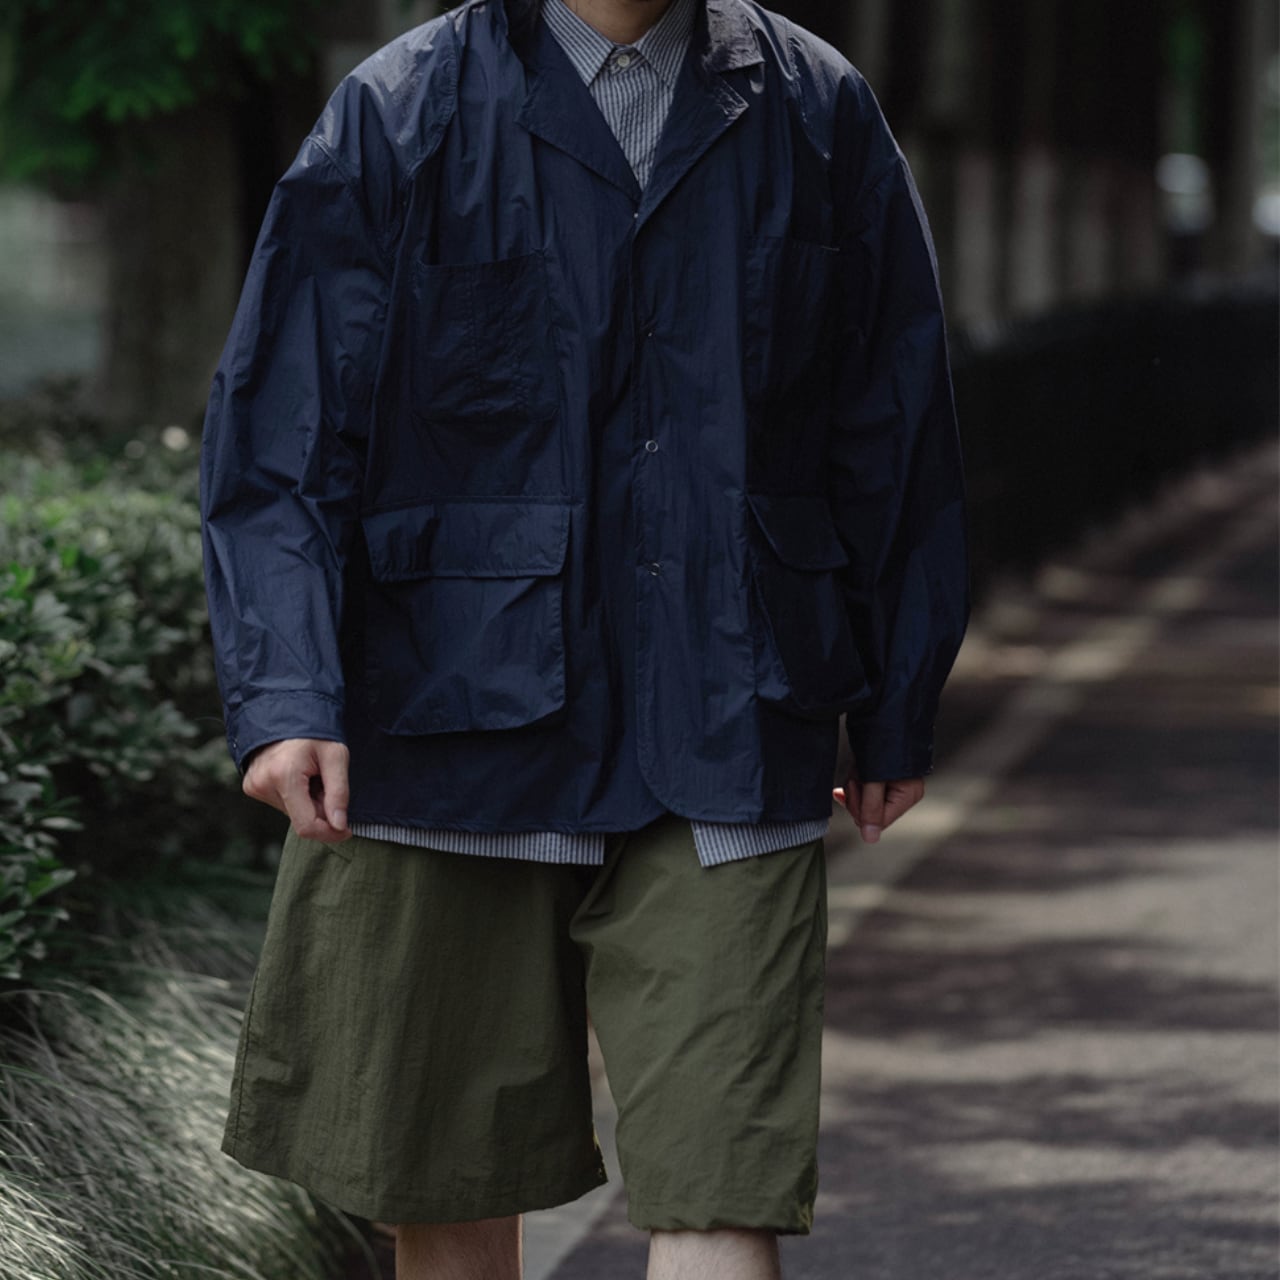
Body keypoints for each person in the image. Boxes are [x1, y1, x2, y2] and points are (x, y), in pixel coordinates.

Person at [199, 0, 970, 1274]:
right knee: (446, 1187)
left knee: (724, 1183)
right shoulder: (401, 108)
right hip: (445, 720)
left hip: (729, 708)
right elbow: (282, 428)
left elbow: (893, 421)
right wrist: (286, 694)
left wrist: (897, 695)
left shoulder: (814, 107)